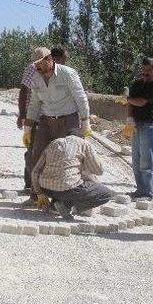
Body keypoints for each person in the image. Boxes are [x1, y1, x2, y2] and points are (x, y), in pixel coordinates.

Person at [24, 46, 91, 208]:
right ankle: (37, 195)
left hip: (68, 120)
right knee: (37, 156)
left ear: (49, 59)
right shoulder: (36, 78)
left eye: (39, 64)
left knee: (66, 159)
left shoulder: (67, 73)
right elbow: (34, 104)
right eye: (35, 65)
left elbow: (81, 98)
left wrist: (86, 122)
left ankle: (63, 199)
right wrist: (28, 128)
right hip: (46, 121)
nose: (37, 68)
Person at [19, 47, 69, 198]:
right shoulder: (32, 69)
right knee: (33, 152)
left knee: (51, 153)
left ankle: (49, 189)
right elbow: (24, 91)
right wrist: (23, 115)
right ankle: (32, 186)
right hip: (34, 118)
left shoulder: (61, 72)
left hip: (51, 117)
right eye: (62, 60)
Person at [32, 135, 114, 220]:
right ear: (81, 136)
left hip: (47, 190)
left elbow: (35, 172)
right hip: (68, 189)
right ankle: (69, 207)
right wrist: (84, 165)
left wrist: (39, 193)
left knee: (68, 182)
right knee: (106, 194)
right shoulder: (83, 144)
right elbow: (99, 171)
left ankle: (55, 206)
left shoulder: (54, 143)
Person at [122, 57, 153, 200]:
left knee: (147, 161)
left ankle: (147, 193)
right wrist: (129, 119)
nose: (145, 73)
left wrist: (127, 99)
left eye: (148, 71)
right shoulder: (137, 83)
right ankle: (140, 190)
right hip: (136, 125)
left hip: (149, 126)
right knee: (136, 160)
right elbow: (131, 104)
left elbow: (140, 102)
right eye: (143, 70)